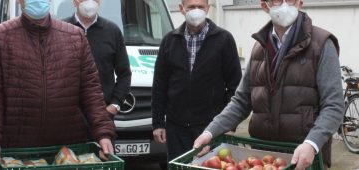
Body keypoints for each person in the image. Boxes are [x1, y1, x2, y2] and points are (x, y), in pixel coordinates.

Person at [193, 0, 344, 169]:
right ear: (265, 6)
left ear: (300, 3)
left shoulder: (321, 44)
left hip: (304, 158)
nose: (285, 4)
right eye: (277, 0)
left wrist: (312, 143)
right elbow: (241, 101)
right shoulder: (259, 47)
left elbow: (334, 105)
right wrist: (210, 131)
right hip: (264, 157)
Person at [0, 0, 116, 168]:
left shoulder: (75, 37)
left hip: (65, 152)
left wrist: (103, 133)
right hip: (16, 152)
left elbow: (91, 91)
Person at [152, 0, 242, 161]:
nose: (196, 11)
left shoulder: (224, 39)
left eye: (200, 7)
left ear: (208, 8)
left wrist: (228, 124)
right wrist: (158, 122)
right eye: (191, 7)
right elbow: (160, 85)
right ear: (181, 9)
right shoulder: (169, 40)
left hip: (210, 126)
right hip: (176, 127)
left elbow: (235, 85)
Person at [64, 0, 131, 116]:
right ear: (74, 2)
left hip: (102, 114)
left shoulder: (112, 31)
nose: (89, 2)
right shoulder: (61, 29)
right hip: (67, 116)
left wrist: (115, 104)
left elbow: (124, 73)